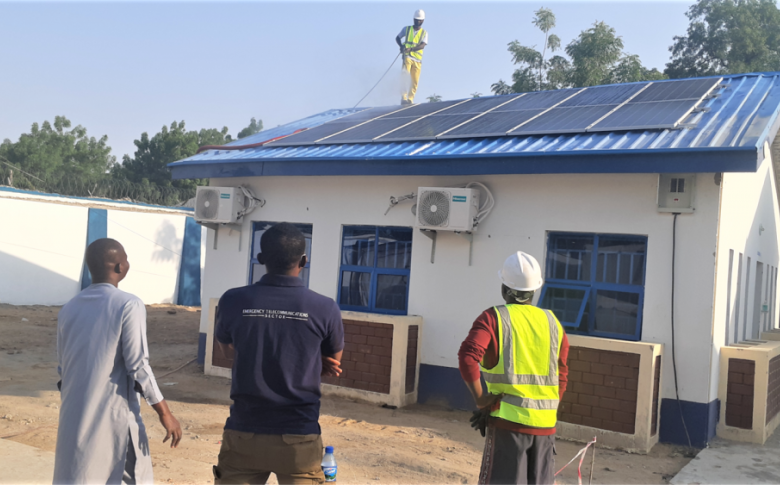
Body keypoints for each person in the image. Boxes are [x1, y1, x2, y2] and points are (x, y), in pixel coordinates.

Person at [213, 222, 344, 485]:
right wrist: (310, 356)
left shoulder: (233, 300)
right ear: (303, 261)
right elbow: (334, 363)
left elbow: (228, 352)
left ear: (261, 259)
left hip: (244, 433)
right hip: (299, 436)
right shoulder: (324, 307)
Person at [53, 238, 182, 485]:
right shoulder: (128, 304)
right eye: (125, 258)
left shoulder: (68, 308)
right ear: (120, 267)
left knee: (80, 474)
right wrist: (165, 413)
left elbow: (63, 368)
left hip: (74, 416)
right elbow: (138, 366)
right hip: (113, 417)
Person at [458, 251, 570, 485]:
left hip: (508, 428)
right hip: (546, 429)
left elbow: (468, 356)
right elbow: (562, 376)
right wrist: (543, 411)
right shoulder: (553, 323)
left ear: (505, 288)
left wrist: (481, 400)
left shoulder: (493, 318)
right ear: (534, 290)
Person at [395, 9, 428, 105]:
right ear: (413, 19)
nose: (418, 22)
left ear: (423, 21)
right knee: (405, 76)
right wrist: (401, 46)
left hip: (417, 60)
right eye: (416, 20)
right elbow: (397, 38)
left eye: (420, 20)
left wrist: (412, 49)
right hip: (407, 57)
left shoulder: (424, 33)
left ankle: (410, 99)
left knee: (415, 81)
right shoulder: (407, 29)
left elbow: (422, 45)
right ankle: (404, 98)